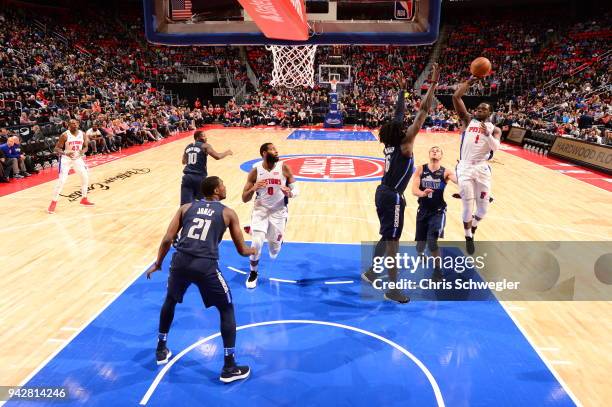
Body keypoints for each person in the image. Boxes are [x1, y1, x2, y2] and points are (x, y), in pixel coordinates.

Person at [145, 176, 256, 382]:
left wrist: (159, 263)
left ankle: (161, 348)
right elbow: (242, 250)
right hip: (205, 266)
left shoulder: (186, 208)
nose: (225, 187)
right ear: (215, 190)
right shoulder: (228, 213)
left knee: (170, 300)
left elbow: (168, 239)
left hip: (179, 262)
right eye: (222, 184)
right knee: (226, 308)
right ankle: (229, 366)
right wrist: (255, 249)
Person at [361, 63, 440, 304]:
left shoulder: (390, 143)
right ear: (402, 132)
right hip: (393, 195)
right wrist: (433, 84)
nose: (407, 125)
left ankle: (372, 272)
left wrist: (402, 92)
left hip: (382, 192)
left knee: (387, 235)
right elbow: (423, 112)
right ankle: (392, 288)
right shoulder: (406, 146)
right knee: (393, 241)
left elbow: (397, 116)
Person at [452, 77, 502, 254]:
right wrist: (468, 82)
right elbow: (456, 98)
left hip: (482, 168)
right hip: (465, 167)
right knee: (467, 205)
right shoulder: (467, 121)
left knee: (483, 209)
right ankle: (468, 236)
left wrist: (488, 135)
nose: (479, 110)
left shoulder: (495, 129)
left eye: (484, 109)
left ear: (489, 113)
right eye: (478, 108)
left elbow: (496, 148)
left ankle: (473, 227)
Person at [241, 143, 298, 289]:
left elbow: (296, 189)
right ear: (264, 153)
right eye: (273, 149)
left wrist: (290, 193)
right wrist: (253, 188)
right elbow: (244, 198)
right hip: (261, 211)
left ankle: (277, 240)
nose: (277, 151)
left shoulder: (284, 168)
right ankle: (253, 273)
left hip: (279, 212)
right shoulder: (255, 171)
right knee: (257, 243)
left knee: (274, 251)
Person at [411, 146, 457, 280]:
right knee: (420, 244)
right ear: (429, 154)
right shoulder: (421, 169)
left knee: (432, 241)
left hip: (438, 211)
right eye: (433, 150)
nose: (435, 151)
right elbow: (414, 190)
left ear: (441, 156)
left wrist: (462, 172)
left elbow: (458, 180)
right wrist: (422, 193)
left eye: (438, 150)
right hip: (423, 210)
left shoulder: (445, 172)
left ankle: (438, 271)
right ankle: (420, 254)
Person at [47, 119, 95, 214]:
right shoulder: (65, 135)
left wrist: (82, 151)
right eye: (72, 124)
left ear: (78, 124)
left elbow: (86, 146)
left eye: (76, 123)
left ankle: (84, 199)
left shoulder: (83, 134)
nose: (74, 125)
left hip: (77, 158)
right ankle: (53, 202)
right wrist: (65, 152)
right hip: (66, 159)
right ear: (69, 125)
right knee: (62, 181)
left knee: (85, 177)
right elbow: (56, 148)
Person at [180, 130, 233, 205]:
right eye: (204, 136)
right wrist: (227, 152)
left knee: (185, 205)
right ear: (198, 138)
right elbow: (217, 156)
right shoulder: (205, 146)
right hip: (199, 178)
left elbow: (183, 161)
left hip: (187, 178)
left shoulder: (188, 146)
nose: (206, 138)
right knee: (204, 204)